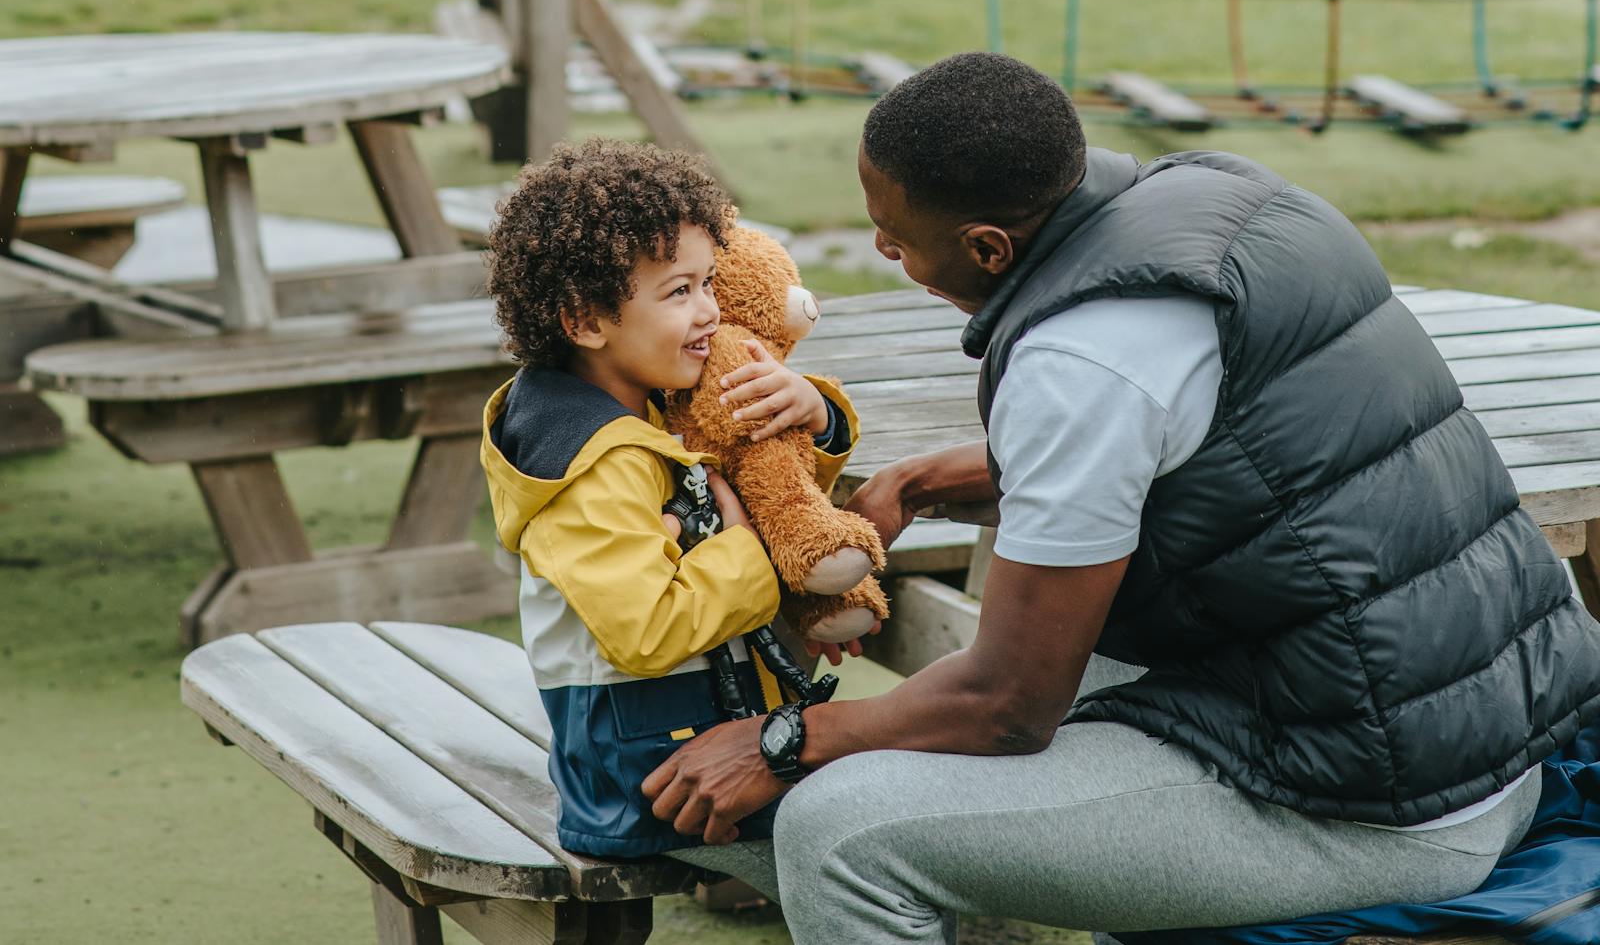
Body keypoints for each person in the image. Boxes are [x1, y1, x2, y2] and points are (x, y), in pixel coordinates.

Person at [643, 51, 1600, 945]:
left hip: (1395, 806)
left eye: (895, 238)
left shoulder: (1078, 361)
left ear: (986, 246)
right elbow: (1178, 437)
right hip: (1479, 712)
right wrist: (919, 480)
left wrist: (782, 739)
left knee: (839, 830)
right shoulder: (1226, 196)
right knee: (1015, 661)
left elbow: (1010, 705)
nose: (882, 243)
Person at [479, 142, 862, 864]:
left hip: (681, 736)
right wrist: (754, 553)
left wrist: (815, 413)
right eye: (679, 291)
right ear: (586, 320)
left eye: (710, 282)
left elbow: (769, 477)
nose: (712, 312)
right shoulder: (593, 463)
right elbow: (647, 628)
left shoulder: (652, 401)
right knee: (882, 811)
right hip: (647, 780)